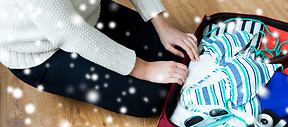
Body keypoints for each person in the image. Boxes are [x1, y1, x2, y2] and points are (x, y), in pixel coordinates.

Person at [0, 0, 200, 117]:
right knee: (153, 98)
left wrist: (161, 25)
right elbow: (69, 32)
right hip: (41, 51)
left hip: (87, 10)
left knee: (175, 55)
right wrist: (146, 69)